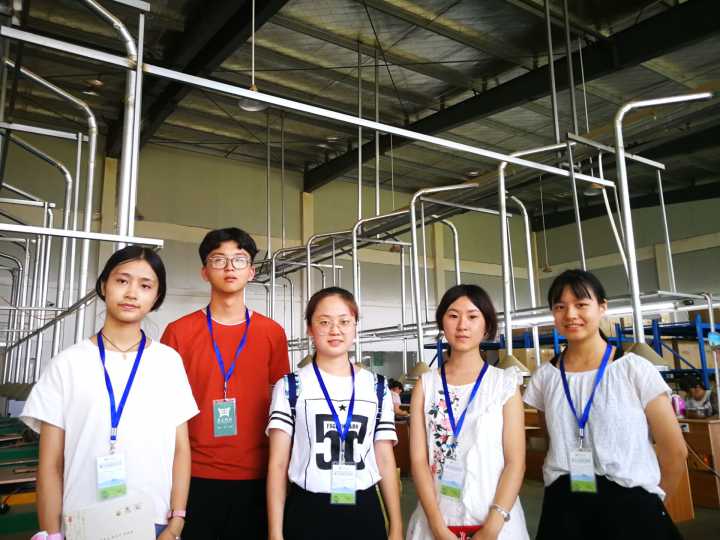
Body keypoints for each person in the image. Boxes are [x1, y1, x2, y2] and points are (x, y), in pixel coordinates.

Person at [22, 246, 198, 540]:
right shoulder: (67, 363)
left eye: (145, 285)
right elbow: (50, 464)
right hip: (81, 524)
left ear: (157, 297)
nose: (132, 293)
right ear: (104, 285)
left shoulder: (169, 362)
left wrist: (176, 521)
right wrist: (52, 534)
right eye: (122, 281)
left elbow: (181, 450)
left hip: (153, 522)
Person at [523, 269, 687, 540]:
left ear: (602, 307)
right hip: (564, 507)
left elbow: (675, 451)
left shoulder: (634, 370)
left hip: (630, 505)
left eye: (581, 304)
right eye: (560, 307)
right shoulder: (545, 377)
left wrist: (654, 507)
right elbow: (551, 439)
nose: (570, 314)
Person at [161, 227, 289, 539]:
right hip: (193, 475)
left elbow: (280, 405)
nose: (230, 267)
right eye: (218, 260)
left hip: (257, 475)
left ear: (252, 271)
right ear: (204, 272)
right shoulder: (178, 332)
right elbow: (165, 411)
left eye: (239, 260)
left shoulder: (272, 333)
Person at [266, 287, 403, 540]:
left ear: (355, 327)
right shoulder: (290, 386)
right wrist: (275, 532)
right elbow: (278, 464)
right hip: (307, 511)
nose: (335, 330)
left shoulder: (377, 387)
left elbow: (385, 459)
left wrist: (396, 526)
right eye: (324, 322)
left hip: (363, 510)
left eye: (344, 322)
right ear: (309, 328)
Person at [407, 284, 529, 540]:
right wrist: (438, 527)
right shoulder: (426, 385)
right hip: (435, 522)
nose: (462, 325)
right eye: (453, 316)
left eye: (473, 316)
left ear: (486, 326)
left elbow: (515, 462)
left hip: (497, 524)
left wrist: (492, 528)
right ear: (442, 323)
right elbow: (418, 461)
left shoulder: (504, 384)